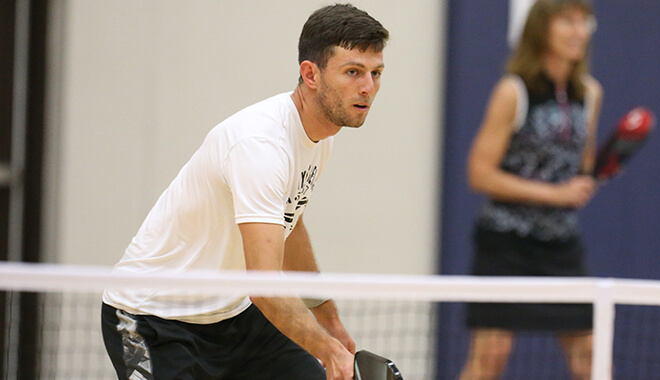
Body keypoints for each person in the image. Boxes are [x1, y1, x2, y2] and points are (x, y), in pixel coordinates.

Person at [100, 4, 388, 380]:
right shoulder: (261, 145)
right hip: (154, 319)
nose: (368, 87)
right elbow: (264, 286)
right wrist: (329, 350)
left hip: (234, 318)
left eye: (376, 73)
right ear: (310, 74)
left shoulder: (319, 138)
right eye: (353, 72)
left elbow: (291, 222)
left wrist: (328, 320)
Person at [459, 1, 602, 379]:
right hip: (505, 242)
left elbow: (580, 163)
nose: (578, 30)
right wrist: (556, 195)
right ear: (542, 28)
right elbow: (479, 173)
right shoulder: (513, 91)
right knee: (491, 355)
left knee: (591, 355)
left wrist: (587, 178)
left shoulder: (589, 93)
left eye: (583, 20)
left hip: (561, 244)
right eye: (566, 21)